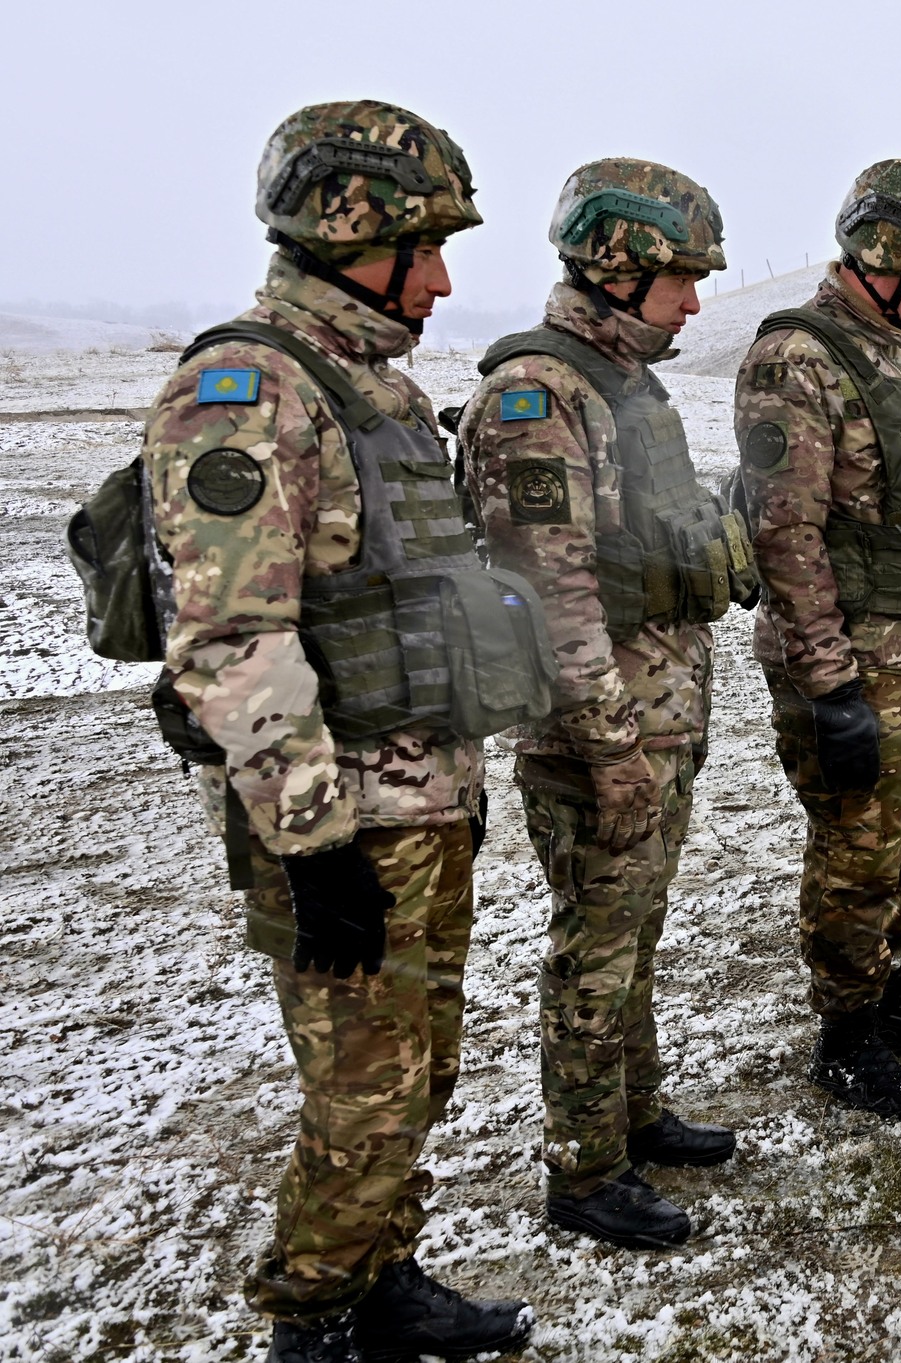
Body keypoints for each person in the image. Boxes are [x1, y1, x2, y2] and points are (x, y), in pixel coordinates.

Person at [139, 101, 538, 1363]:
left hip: (421, 795)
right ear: (343, 230)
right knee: (362, 1091)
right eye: (422, 247)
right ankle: (311, 1317)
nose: (441, 278)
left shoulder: (373, 388)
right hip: (342, 820)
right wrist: (314, 846)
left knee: (417, 1071)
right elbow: (229, 640)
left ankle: (383, 1277)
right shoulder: (246, 392)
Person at [459, 158, 746, 1251]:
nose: (693, 300)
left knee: (636, 932)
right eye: (680, 276)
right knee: (595, 944)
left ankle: (633, 1113)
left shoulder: (620, 383)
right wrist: (612, 749)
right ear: (616, 268)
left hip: (654, 716)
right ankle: (584, 1170)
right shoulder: (539, 397)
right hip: (600, 733)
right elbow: (551, 594)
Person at [732, 159, 901, 1119]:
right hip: (847, 656)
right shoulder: (796, 359)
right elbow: (784, 534)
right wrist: (829, 683)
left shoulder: (899, 349)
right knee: (859, 852)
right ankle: (845, 1033)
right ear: (883, 259)